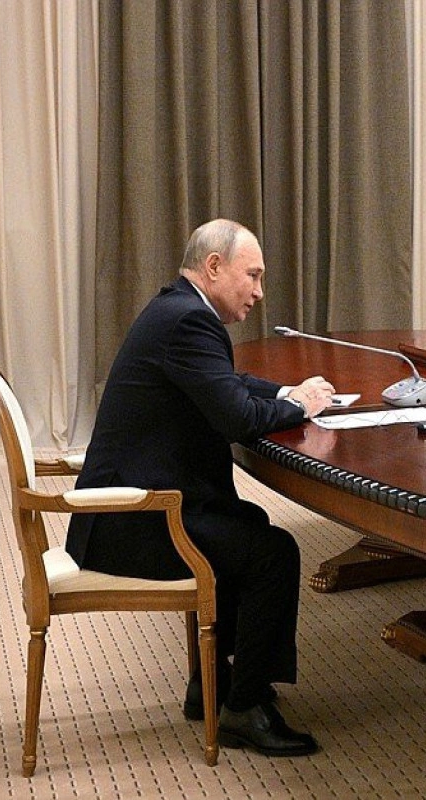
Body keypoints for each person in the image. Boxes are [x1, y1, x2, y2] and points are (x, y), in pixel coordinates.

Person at [66, 219, 335, 756]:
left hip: (130, 509)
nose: (259, 291)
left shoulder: (179, 310)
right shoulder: (189, 320)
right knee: (272, 553)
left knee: (248, 526)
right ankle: (244, 707)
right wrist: (300, 407)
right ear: (214, 267)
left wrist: (284, 391)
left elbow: (226, 383)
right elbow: (237, 417)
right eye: (252, 275)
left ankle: (213, 683)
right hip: (131, 522)